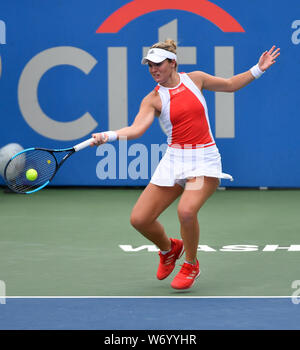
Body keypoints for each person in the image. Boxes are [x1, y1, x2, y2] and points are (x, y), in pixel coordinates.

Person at [91, 39, 280, 290]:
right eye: (150, 66)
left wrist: (258, 68)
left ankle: (190, 264)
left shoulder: (196, 79)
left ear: (173, 63)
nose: (153, 69)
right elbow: (136, 129)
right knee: (140, 219)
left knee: (187, 211)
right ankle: (170, 250)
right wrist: (110, 135)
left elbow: (230, 85)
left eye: (158, 64)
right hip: (174, 160)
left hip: (203, 159)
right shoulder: (153, 99)